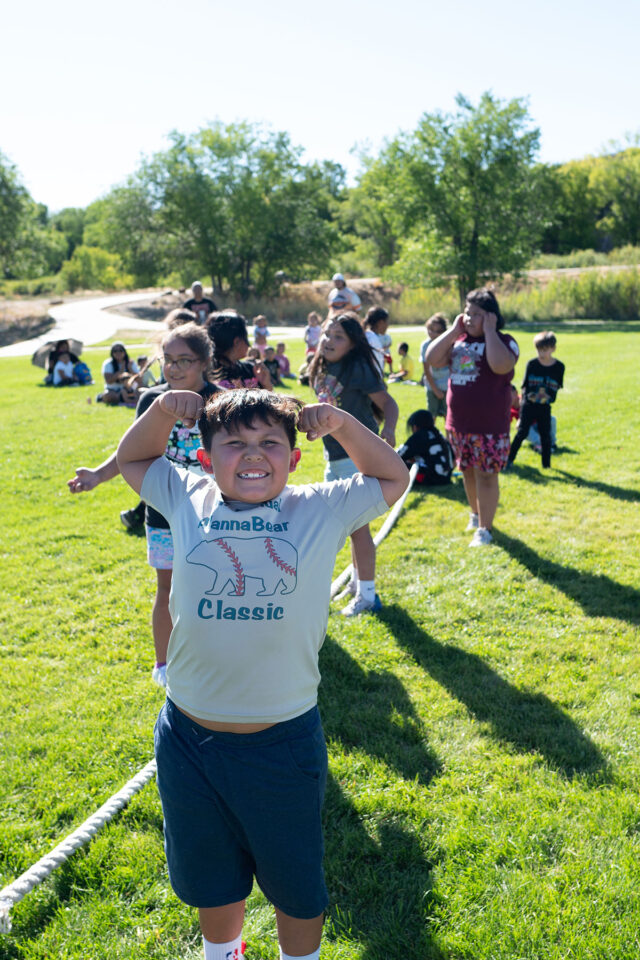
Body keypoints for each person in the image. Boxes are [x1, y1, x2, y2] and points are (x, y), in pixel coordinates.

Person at [115, 387, 409, 960]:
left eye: (270, 443)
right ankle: (221, 953)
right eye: (235, 443)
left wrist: (344, 424)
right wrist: (158, 412)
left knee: (295, 881)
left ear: (294, 459)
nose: (253, 454)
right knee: (209, 871)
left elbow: (392, 479)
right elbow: (133, 460)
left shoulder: (318, 506)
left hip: (281, 741)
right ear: (204, 457)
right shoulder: (187, 494)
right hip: (188, 738)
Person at [68, 323, 218, 687]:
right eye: (168, 359)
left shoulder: (219, 401)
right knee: (166, 589)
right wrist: (97, 476)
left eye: (185, 360)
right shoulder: (152, 401)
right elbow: (130, 452)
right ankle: (164, 664)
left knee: (213, 588)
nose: (174, 368)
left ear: (205, 362)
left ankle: (214, 656)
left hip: (212, 516)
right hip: (162, 517)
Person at [308, 312, 399, 613]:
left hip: (356, 457)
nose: (328, 341)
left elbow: (388, 402)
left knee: (358, 528)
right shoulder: (321, 366)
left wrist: (388, 429)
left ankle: (369, 596)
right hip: (333, 457)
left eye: (338, 337)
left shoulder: (357, 367)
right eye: (325, 334)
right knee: (347, 525)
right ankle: (357, 583)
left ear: (353, 343)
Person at [424, 289, 518, 547]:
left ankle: (485, 530)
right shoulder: (458, 340)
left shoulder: (505, 341)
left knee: (487, 476)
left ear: (491, 316)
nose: (468, 317)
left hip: (490, 427)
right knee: (467, 471)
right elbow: (432, 359)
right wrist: (454, 331)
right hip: (458, 425)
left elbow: (501, 365)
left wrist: (489, 331)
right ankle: (475, 515)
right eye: (467, 311)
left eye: (476, 314)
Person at [506, 330, 564, 471]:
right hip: (529, 405)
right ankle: (509, 460)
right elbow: (526, 387)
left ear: (553, 349)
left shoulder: (559, 367)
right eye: (539, 350)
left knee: (546, 435)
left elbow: (555, 388)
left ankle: (546, 465)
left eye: (545, 350)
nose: (541, 353)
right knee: (522, 433)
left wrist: (546, 397)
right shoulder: (532, 364)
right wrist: (528, 402)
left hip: (544, 406)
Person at [207, 311, 273, 391]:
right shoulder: (208, 375)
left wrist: (266, 385)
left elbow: (268, 401)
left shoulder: (251, 369)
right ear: (237, 342)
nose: (249, 345)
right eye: (245, 338)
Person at [397, 409, 453, 485]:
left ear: (415, 426)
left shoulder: (419, 436)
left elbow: (398, 456)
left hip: (428, 479)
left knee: (398, 465)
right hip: (446, 478)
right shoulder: (440, 436)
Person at [420, 314, 450, 424]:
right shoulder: (425, 346)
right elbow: (426, 370)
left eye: (438, 331)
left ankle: (449, 441)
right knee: (431, 416)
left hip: (447, 386)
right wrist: (435, 389)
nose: (433, 333)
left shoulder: (449, 344)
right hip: (432, 387)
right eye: (430, 329)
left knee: (449, 416)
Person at [362, 306, 388, 376]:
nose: (387, 325)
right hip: (371, 382)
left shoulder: (369, 336)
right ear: (381, 322)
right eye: (387, 322)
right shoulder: (372, 339)